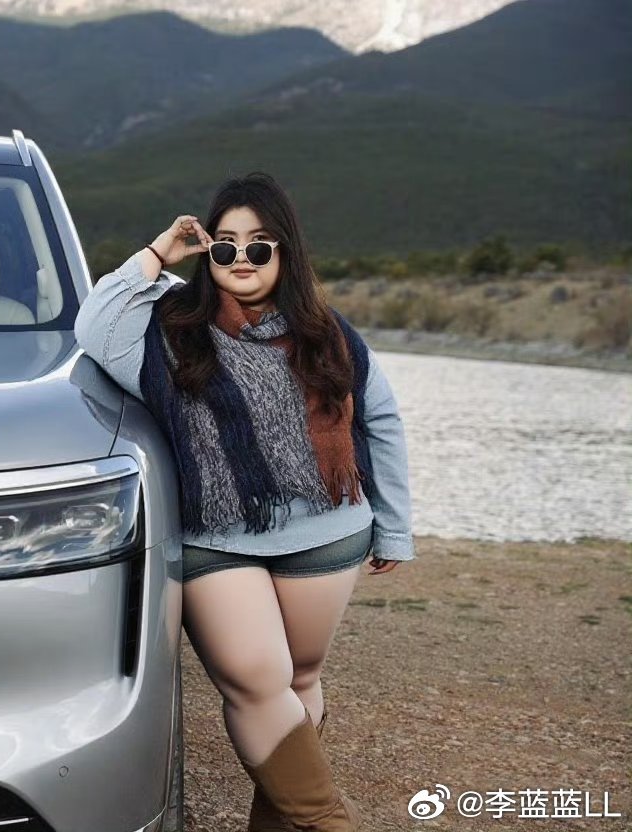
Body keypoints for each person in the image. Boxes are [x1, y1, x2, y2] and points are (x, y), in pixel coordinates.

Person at [74, 172, 414, 831]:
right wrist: (159, 251)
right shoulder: (166, 329)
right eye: (225, 245)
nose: (241, 259)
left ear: (286, 251)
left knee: (298, 680)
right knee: (258, 679)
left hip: (328, 531)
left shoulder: (328, 332)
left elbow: (381, 420)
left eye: (258, 245)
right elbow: (94, 323)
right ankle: (327, 820)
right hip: (215, 538)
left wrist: (395, 527)